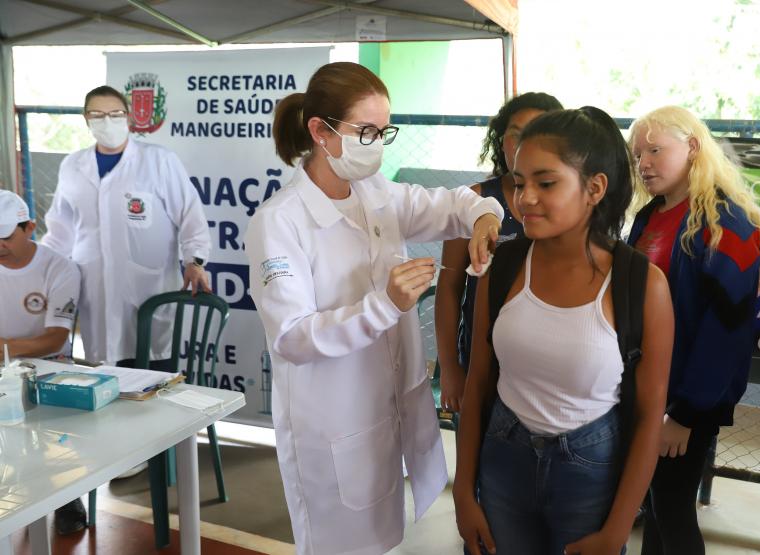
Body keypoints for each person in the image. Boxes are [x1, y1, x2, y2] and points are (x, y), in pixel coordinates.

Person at [244, 61, 504, 555]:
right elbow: (293, 337)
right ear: (320, 131)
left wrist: (485, 217)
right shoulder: (280, 222)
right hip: (332, 423)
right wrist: (384, 306)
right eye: (366, 131)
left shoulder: (375, 194)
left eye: (385, 131)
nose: (378, 144)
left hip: (382, 412)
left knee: (383, 539)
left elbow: (451, 204)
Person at [454, 107, 675, 555]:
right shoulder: (504, 270)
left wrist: (617, 530)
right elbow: (479, 383)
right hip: (503, 460)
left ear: (594, 187)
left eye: (545, 182)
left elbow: (651, 414)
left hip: (590, 470)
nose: (525, 198)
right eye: (518, 182)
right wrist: (463, 490)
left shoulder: (641, 285)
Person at [626, 105, 760, 555]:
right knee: (653, 504)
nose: (644, 163)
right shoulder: (649, 215)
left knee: (671, 507)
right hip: (644, 388)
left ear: (692, 147)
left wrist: (687, 414)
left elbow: (727, 328)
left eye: (655, 150)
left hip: (685, 400)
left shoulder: (725, 223)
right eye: (637, 155)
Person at [42, 85, 210, 369]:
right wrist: (41, 269)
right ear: (86, 120)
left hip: (148, 287)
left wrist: (195, 261)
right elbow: (60, 229)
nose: (107, 121)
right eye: (97, 114)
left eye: (115, 113)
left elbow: (190, 214)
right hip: (95, 287)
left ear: (128, 117)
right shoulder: (73, 165)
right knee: (105, 375)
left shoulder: (158, 161)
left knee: (153, 376)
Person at [435, 92, 563, 414]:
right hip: (480, 359)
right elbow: (449, 290)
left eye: (536, 133)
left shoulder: (565, 207)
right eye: (515, 134)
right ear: (500, 140)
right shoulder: (473, 201)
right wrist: (449, 369)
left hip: (545, 364)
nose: (523, 144)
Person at [0, 190, 86, 535]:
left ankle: (67, 498)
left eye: (6, 235)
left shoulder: (59, 267)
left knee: (56, 431)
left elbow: (55, 338)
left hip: (51, 363)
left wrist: (6, 348)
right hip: (5, 364)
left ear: (30, 227)